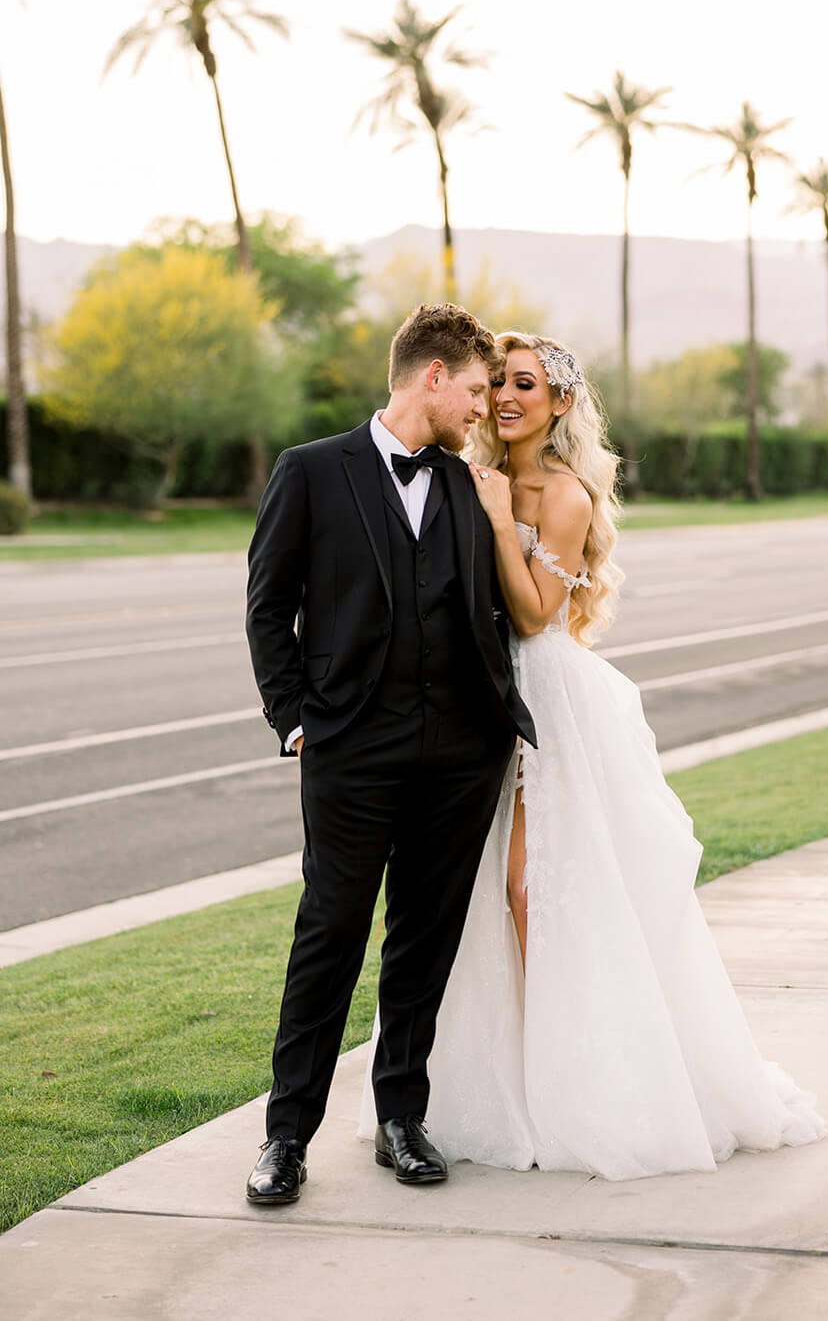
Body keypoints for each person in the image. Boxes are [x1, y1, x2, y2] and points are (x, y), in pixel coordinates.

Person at [359, 332, 826, 1180]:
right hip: (479, 699)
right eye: (497, 381)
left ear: (561, 403)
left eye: (526, 385)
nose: (505, 396)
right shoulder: (467, 473)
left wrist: (502, 520)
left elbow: (537, 613)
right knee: (469, 894)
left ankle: (566, 1081)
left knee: (531, 887)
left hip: (547, 700)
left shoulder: (562, 494)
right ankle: (449, 1089)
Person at [244, 303, 535, 1203]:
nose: (485, 408)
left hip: (460, 749)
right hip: (349, 745)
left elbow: (504, 612)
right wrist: (296, 719)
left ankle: (402, 1119)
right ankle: (286, 1137)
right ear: (432, 379)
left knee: (425, 936)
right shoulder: (311, 471)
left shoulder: (469, 487)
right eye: (479, 390)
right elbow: (267, 606)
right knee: (329, 931)